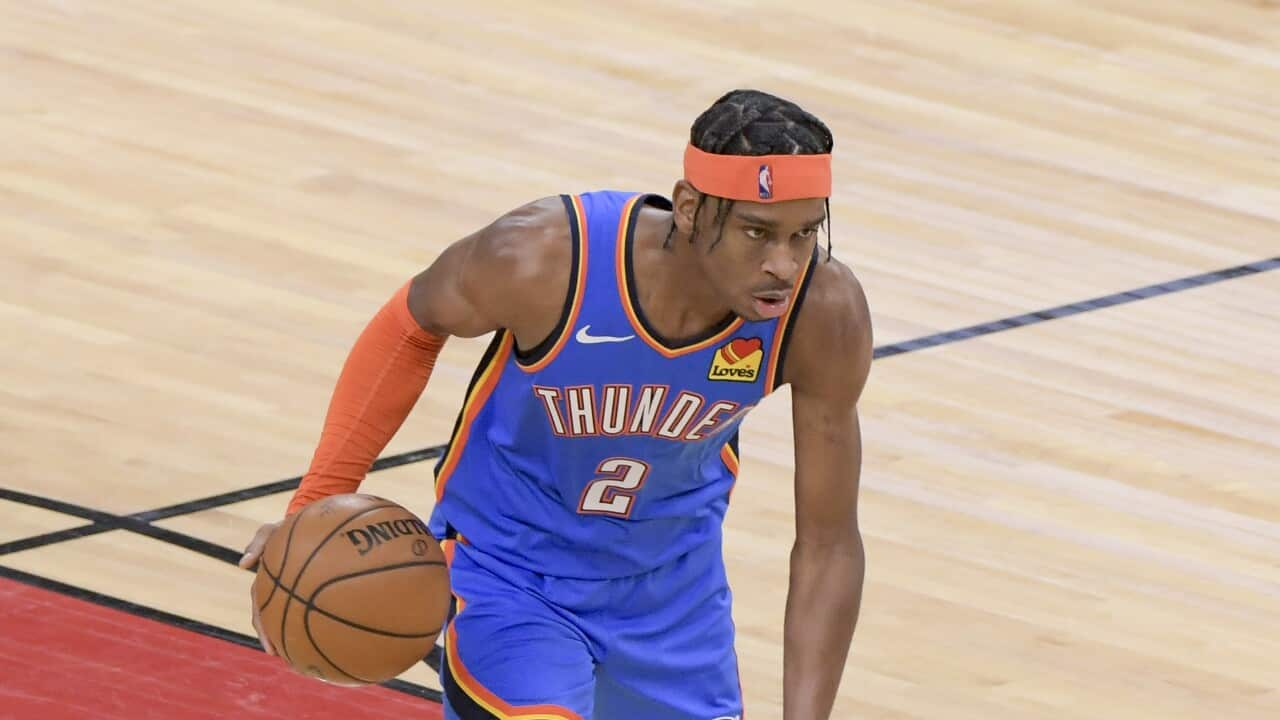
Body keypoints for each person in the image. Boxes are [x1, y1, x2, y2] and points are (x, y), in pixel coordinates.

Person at [240, 88, 873, 720]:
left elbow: (829, 542)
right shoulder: (546, 259)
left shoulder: (821, 313)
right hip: (511, 572)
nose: (784, 265)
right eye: (757, 233)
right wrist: (311, 505)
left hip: (671, 597)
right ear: (688, 209)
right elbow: (410, 326)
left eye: (803, 234)